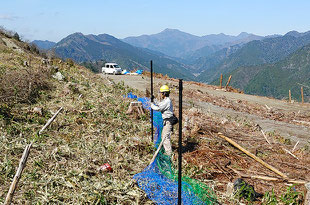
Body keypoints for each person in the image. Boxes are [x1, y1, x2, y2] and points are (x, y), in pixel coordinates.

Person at [150, 85, 175, 156]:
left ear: (164, 93)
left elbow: (159, 108)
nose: (160, 94)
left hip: (168, 122)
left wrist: (151, 104)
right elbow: (160, 104)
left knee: (165, 138)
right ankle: (168, 152)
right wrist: (154, 99)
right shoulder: (166, 100)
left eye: (161, 93)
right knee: (164, 136)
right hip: (166, 121)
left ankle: (169, 154)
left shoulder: (167, 101)